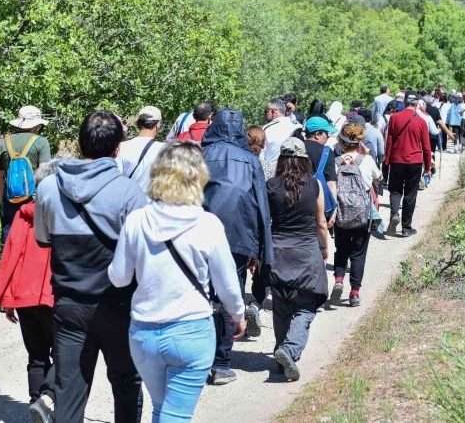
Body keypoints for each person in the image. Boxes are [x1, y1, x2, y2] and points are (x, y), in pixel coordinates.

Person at [108, 141, 246, 422]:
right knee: (176, 414)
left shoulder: (137, 220)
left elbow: (119, 278)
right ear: (199, 178)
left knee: (163, 408)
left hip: (144, 333)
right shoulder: (207, 224)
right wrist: (238, 314)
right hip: (190, 331)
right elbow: (227, 284)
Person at [35, 110, 148, 423]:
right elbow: (141, 255)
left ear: (81, 144)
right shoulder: (130, 192)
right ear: (117, 149)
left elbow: (43, 241)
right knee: (126, 384)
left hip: (68, 306)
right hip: (118, 306)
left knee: (68, 394)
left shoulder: (47, 188)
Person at [0, 160, 63, 423]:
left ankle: (35, 404)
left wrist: (2, 300)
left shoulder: (23, 213)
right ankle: (46, 399)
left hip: (24, 296)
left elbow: (10, 258)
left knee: (37, 355)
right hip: (55, 295)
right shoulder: (66, 212)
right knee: (66, 353)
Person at [201, 109, 273, 384]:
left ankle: (200, 357)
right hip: (239, 235)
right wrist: (259, 248)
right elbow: (260, 205)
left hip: (200, 232)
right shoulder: (250, 160)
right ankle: (221, 363)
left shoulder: (200, 155)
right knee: (232, 292)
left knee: (201, 293)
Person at [263, 138, 329, 381]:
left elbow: (264, 222)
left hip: (278, 254)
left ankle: (282, 358)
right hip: (306, 252)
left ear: (281, 159)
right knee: (305, 307)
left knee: (281, 307)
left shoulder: (270, 186)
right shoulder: (314, 186)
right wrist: (324, 247)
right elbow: (321, 223)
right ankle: (289, 350)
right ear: (304, 160)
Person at [330, 124, 382, 308]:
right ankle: (354, 293)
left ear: (342, 143)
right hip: (362, 214)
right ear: (359, 142)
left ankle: (338, 279)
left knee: (341, 250)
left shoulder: (335, 161)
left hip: (341, 213)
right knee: (358, 254)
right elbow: (379, 177)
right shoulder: (366, 160)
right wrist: (366, 153)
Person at [0, 105, 52, 249]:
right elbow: (44, 173)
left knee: (8, 243)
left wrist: (2, 200)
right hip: (32, 200)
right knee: (31, 243)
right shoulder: (41, 142)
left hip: (9, 198)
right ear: (36, 125)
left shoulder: (4, 142)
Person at [384, 91, 431, 238]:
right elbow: (427, 148)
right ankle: (406, 228)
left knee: (395, 190)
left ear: (404, 102)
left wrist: (387, 160)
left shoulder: (394, 118)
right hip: (415, 162)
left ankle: (394, 214)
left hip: (397, 160)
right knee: (410, 194)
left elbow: (389, 141)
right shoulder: (422, 122)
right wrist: (428, 167)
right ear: (417, 104)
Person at [118, 106, 164, 193]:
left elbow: (117, 178)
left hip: (128, 202)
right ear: (157, 125)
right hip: (152, 202)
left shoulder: (121, 147)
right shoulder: (164, 150)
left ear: (138, 124)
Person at [303, 117, 338, 226]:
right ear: (317, 134)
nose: (328, 136)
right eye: (327, 133)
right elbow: (331, 183)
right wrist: (334, 209)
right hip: (317, 203)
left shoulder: (295, 147)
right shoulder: (326, 152)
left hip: (293, 200)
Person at [263, 98, 300, 164]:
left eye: (266, 111)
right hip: (293, 171)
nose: (265, 115)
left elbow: (260, 156)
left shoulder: (266, 129)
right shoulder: (296, 127)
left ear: (273, 111)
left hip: (272, 172)